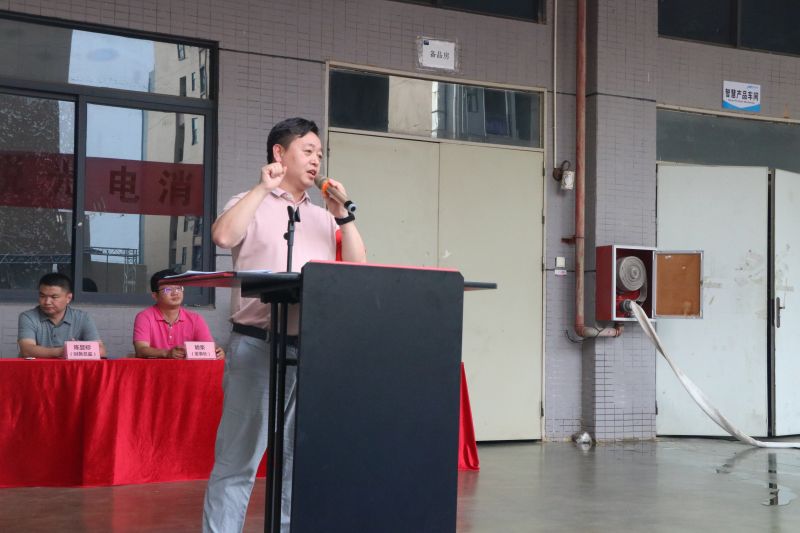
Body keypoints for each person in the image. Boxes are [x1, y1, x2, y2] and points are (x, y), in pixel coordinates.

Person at [203, 117, 366, 532]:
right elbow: (223, 237)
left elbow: (358, 270)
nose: (316, 161)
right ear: (279, 153)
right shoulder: (249, 201)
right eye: (307, 151)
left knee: (297, 461)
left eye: (319, 154)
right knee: (238, 460)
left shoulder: (323, 217)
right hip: (257, 344)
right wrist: (262, 188)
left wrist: (343, 216)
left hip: (310, 349)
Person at [132, 269, 225, 359]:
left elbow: (208, 347)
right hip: (154, 369)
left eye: (178, 288)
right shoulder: (145, 317)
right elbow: (140, 350)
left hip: (187, 369)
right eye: (167, 290)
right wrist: (167, 353)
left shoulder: (195, 319)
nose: (175, 293)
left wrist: (216, 352)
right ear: (155, 296)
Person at [18, 272, 106, 358]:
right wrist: (64, 351)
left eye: (54, 297)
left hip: (69, 368)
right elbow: (26, 350)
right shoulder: (28, 317)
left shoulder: (83, 318)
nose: (47, 302)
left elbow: (101, 351)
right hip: (37, 367)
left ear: (68, 298)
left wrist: (77, 348)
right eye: (42, 296)